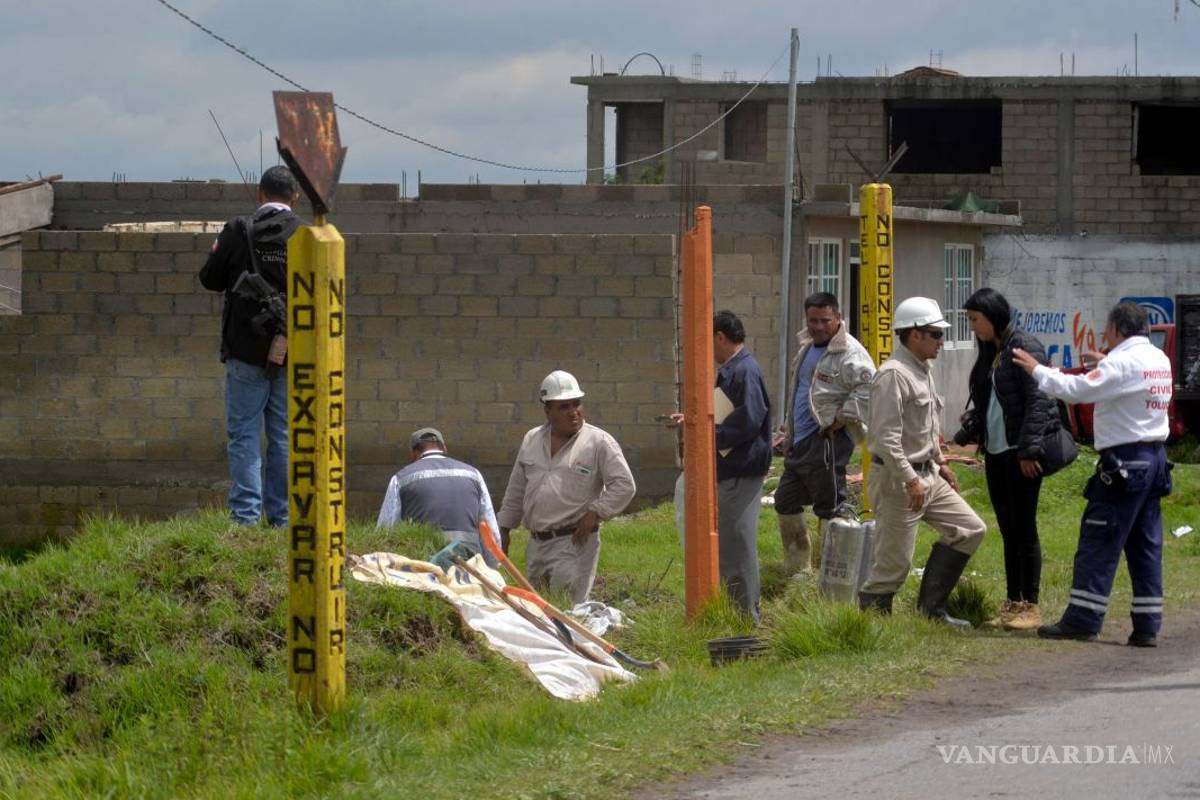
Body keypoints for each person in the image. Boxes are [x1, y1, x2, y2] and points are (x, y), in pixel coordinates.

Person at [1013, 302, 1173, 647]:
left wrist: (1037, 370)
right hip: (1155, 459)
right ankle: (1147, 626)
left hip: (1126, 462)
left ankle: (1083, 619)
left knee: (1099, 539)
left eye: (1107, 331)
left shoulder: (1122, 361)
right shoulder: (1157, 359)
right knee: (1145, 545)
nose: (1105, 337)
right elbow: (1128, 385)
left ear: (1117, 329)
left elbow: (1076, 391)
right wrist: (1105, 366)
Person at [858, 297, 987, 626]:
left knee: (969, 529)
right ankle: (873, 628)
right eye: (935, 334)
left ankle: (932, 611)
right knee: (893, 563)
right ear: (914, 334)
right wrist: (910, 479)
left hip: (927, 474)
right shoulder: (892, 376)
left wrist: (941, 463)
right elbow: (886, 439)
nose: (942, 342)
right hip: (900, 480)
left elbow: (925, 428)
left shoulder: (921, 369)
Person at [199, 166, 302, 527]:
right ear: (296, 198)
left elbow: (209, 279)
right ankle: (281, 518)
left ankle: (245, 517)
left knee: (243, 434)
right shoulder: (306, 236)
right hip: (292, 351)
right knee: (283, 435)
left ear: (259, 194)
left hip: (244, 349)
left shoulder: (238, 230)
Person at [954, 288, 1061, 631]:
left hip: (1021, 454)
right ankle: (1012, 602)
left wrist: (1029, 451)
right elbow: (993, 403)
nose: (973, 328)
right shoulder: (991, 353)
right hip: (998, 453)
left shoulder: (1024, 347)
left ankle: (1030, 604)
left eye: (975, 320)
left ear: (993, 315)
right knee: (1008, 529)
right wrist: (972, 428)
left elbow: (1040, 401)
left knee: (1025, 528)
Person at [496, 370, 636, 604]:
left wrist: (596, 512)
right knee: (536, 612)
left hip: (573, 543)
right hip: (537, 544)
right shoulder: (532, 439)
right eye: (564, 407)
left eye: (577, 404)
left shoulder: (598, 442)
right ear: (548, 411)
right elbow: (517, 488)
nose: (574, 412)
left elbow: (624, 485)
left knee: (566, 612)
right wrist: (504, 527)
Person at [670, 311, 771, 619]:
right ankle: (734, 612)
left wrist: (707, 433)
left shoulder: (744, 371)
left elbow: (749, 420)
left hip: (741, 470)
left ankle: (745, 618)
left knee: (736, 545)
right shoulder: (734, 369)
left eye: (707, 341)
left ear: (719, 337)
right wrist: (694, 423)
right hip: (732, 469)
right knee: (729, 544)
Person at [774, 292, 875, 574]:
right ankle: (799, 570)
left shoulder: (851, 353)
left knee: (829, 508)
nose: (818, 326)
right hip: (799, 441)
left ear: (838, 318)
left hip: (827, 441)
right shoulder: (807, 347)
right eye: (813, 320)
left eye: (825, 320)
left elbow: (869, 390)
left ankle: (830, 574)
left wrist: (841, 419)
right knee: (785, 501)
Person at [375, 427, 502, 567]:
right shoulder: (474, 475)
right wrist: (492, 567)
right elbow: (489, 526)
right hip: (470, 564)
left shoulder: (400, 478)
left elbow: (387, 529)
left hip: (425, 566)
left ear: (413, 454)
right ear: (444, 449)